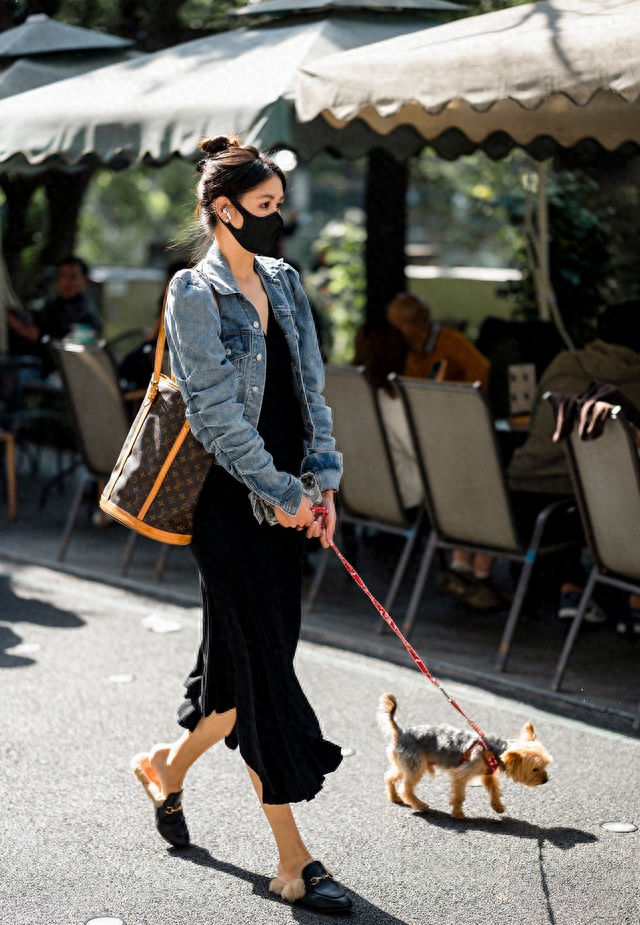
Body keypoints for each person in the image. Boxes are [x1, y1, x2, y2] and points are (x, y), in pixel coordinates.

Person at [130, 134, 353, 915]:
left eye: (279, 208)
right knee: (263, 671)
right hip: (233, 508)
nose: (277, 221)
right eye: (264, 208)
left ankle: (166, 767)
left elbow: (312, 394)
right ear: (223, 210)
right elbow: (218, 418)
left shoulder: (286, 283)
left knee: (235, 678)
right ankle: (293, 860)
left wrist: (321, 484)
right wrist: (278, 490)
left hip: (290, 500)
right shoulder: (193, 292)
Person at [508, 300, 640, 624]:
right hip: (579, 510)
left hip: (516, 497)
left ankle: (576, 588)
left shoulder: (563, 364)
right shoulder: (635, 380)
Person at [7, 255, 102, 376]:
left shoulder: (87, 315)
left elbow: (69, 353)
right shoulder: (51, 306)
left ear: (85, 281)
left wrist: (38, 338)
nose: (66, 282)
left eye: (73, 276)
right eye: (63, 276)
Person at [387, 292, 491, 391]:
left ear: (412, 326)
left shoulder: (451, 341)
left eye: (396, 326)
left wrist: (468, 400)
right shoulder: (408, 351)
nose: (392, 333)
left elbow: (481, 369)